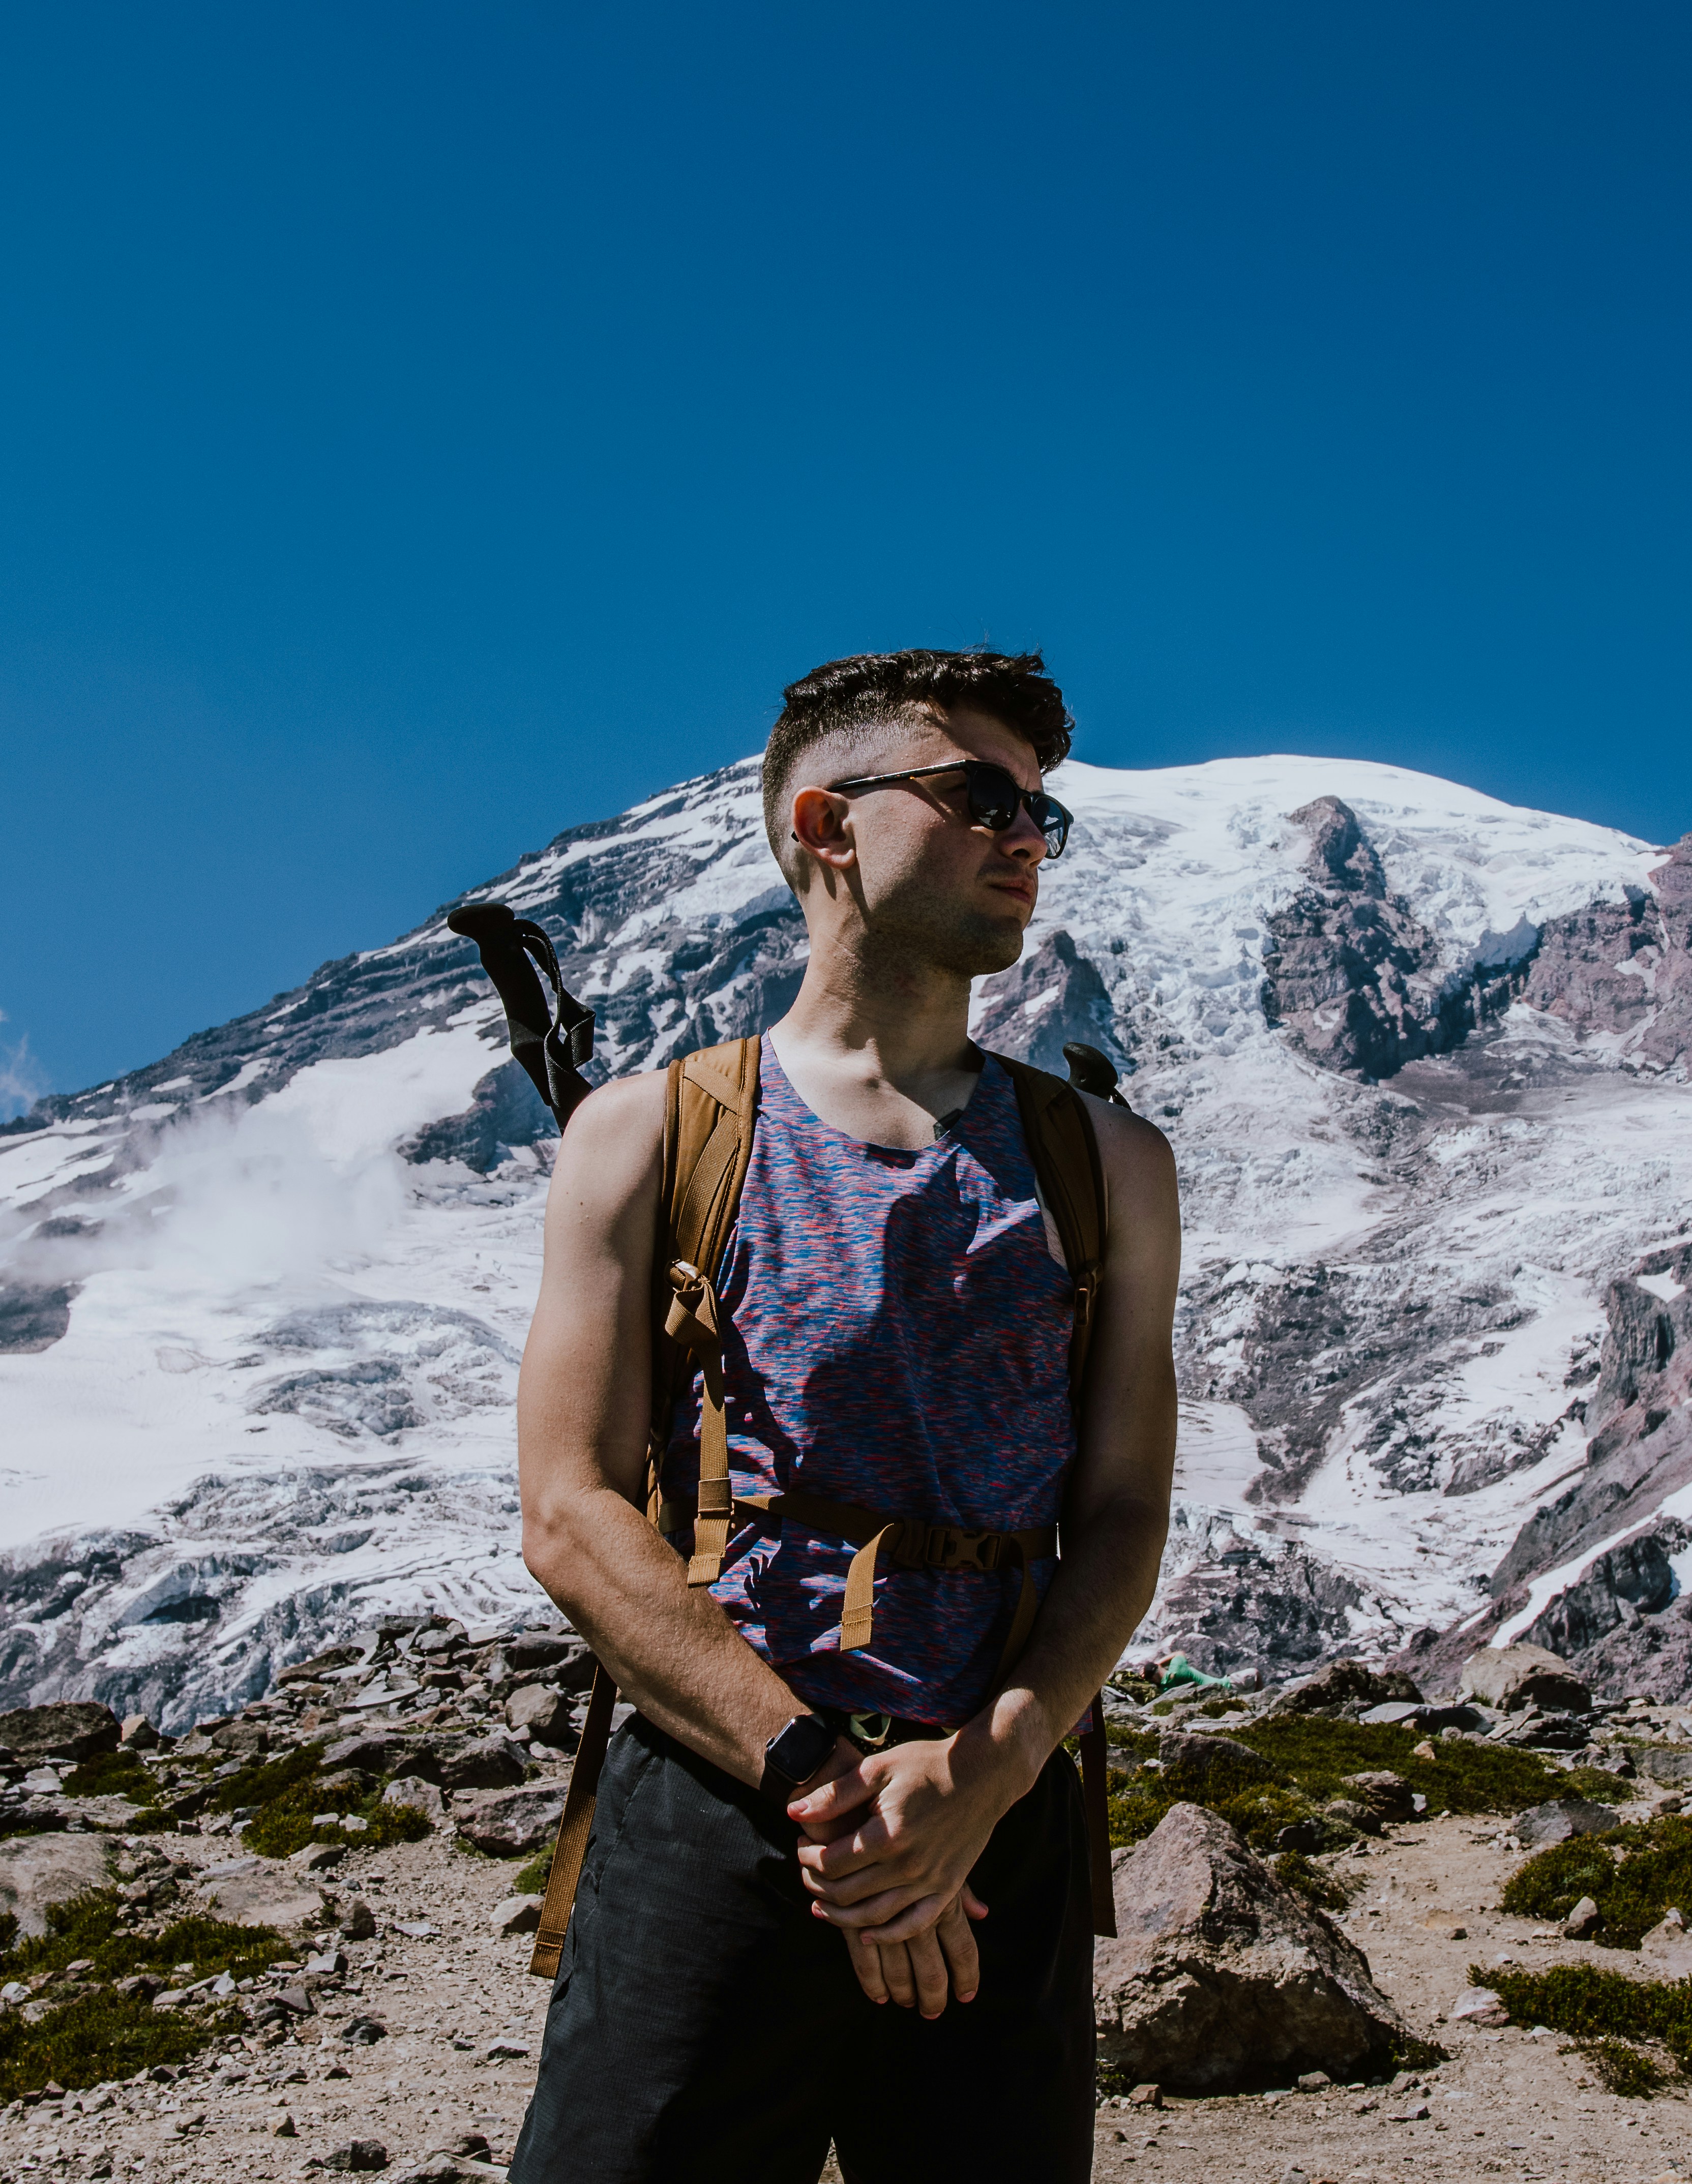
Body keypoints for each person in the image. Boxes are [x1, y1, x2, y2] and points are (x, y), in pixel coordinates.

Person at [510, 648, 1181, 2184]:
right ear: (827, 823)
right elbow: (569, 1510)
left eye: (1041, 812)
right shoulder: (652, 1135)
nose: (1028, 836)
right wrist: (827, 1786)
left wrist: (991, 1772)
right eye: (981, 797)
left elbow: (1129, 1504)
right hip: (721, 1798)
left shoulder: (1107, 1162)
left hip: (995, 1809)